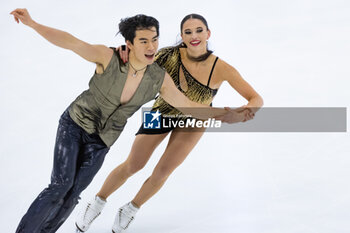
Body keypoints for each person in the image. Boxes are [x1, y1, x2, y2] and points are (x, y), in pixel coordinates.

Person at [10, 9, 235, 233]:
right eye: (144, 41)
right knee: (60, 187)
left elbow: (186, 104)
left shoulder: (158, 77)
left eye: (155, 40)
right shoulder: (109, 57)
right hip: (75, 125)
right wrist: (33, 24)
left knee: (71, 196)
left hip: (102, 141)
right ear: (130, 43)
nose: (151, 47)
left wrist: (221, 114)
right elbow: (71, 42)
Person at [75, 13, 264, 233]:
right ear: (181, 36)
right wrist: (121, 52)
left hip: (194, 121)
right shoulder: (166, 55)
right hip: (160, 113)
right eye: (188, 32)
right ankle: (97, 202)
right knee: (134, 164)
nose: (194, 36)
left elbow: (257, 98)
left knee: (163, 171)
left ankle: (130, 210)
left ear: (208, 33)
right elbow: (137, 61)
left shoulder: (222, 68)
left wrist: (242, 113)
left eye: (199, 30)